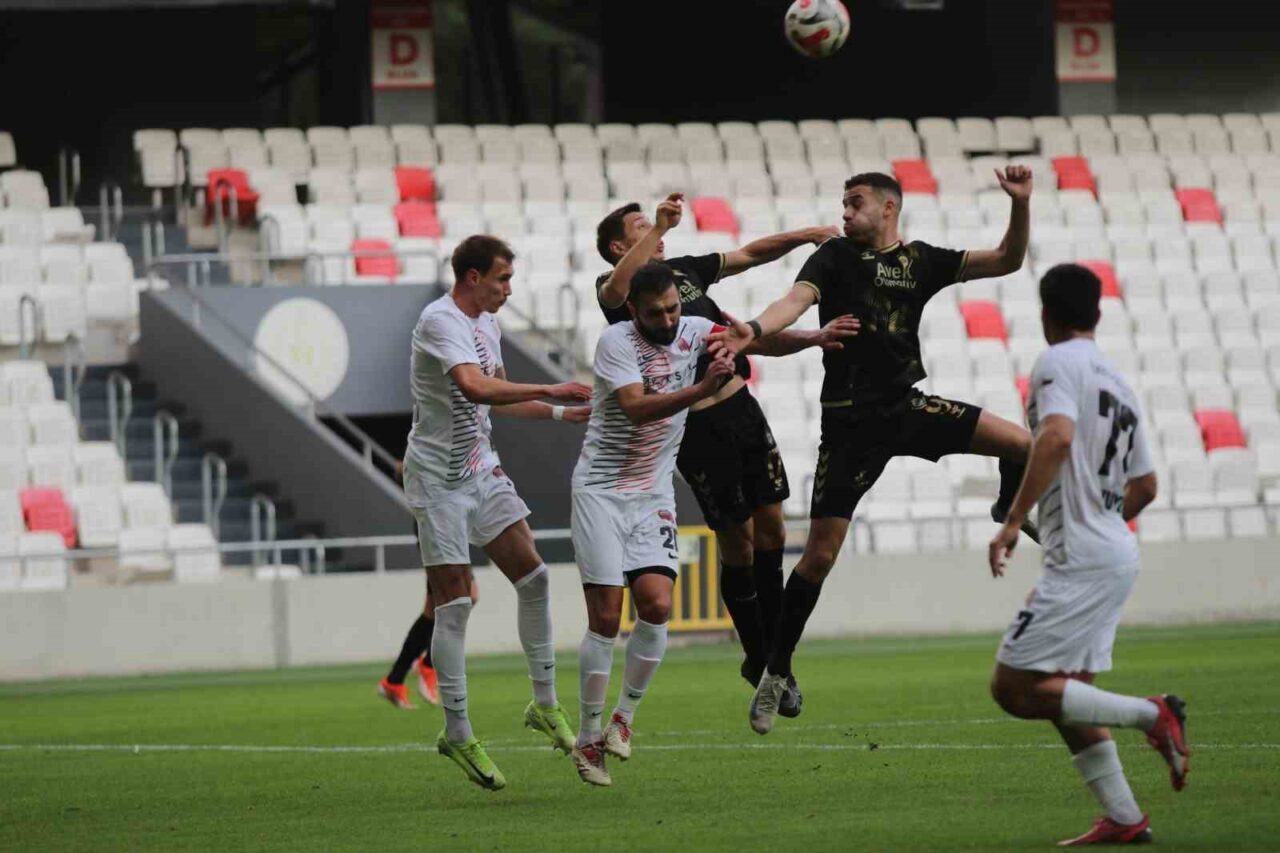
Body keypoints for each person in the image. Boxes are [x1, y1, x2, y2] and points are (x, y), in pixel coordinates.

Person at [709, 167, 1041, 733]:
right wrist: (754, 329)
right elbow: (794, 301)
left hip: (907, 408)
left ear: (888, 207)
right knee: (819, 557)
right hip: (849, 426)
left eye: (855, 202)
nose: (844, 212)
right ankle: (775, 671)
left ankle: (1007, 505)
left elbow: (1008, 259)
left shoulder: (922, 261)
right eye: (843, 203)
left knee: (1024, 445)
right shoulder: (834, 258)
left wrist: (1021, 204)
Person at [597, 195, 858, 711]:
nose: (654, 230)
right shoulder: (621, 295)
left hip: (743, 413)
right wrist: (660, 228)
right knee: (738, 543)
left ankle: (775, 660)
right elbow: (615, 290)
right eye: (641, 227)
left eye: (654, 224)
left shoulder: (686, 274)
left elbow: (749, 267)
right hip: (695, 429)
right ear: (618, 248)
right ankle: (760, 657)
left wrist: (806, 238)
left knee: (774, 532)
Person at [987, 264, 1188, 846]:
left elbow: (1055, 436)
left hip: (1081, 554)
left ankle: (1155, 715)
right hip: (1113, 549)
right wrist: (1100, 519)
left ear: (1045, 313)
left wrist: (1015, 520)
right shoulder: (1117, 382)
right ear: (1098, 314)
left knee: (1013, 688)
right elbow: (1146, 486)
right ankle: (1125, 817)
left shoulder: (1056, 363)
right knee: (1067, 693)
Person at [405, 234, 592, 790]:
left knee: (534, 577)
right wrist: (553, 386)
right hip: (438, 481)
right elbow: (475, 387)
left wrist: (558, 414)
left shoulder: (487, 323)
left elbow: (501, 394)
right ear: (472, 277)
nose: (509, 289)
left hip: (481, 469)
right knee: (455, 604)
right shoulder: (439, 321)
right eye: (502, 278)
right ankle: (458, 733)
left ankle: (544, 705)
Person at [568, 262, 743, 787]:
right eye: (655, 313)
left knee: (658, 605)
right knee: (606, 616)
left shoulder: (696, 328)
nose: (668, 320)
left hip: (653, 492)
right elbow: (636, 408)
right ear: (633, 311)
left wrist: (814, 337)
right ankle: (587, 737)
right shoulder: (615, 343)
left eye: (673, 308)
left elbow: (752, 336)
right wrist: (703, 388)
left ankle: (623, 718)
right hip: (601, 491)